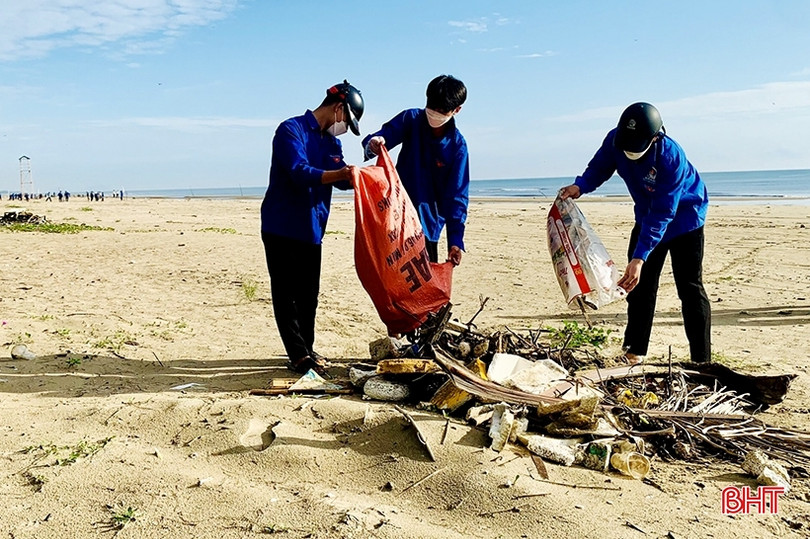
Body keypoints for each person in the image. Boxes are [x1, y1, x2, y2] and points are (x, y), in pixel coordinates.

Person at [560, 102, 711, 363]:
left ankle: (702, 358)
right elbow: (600, 168)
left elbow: (664, 211)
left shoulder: (671, 156)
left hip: (686, 218)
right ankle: (634, 350)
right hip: (646, 214)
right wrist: (580, 186)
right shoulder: (615, 140)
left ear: (655, 137)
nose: (630, 151)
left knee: (689, 287)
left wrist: (640, 257)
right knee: (638, 287)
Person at [260, 80, 364, 375]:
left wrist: (363, 177)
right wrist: (340, 173)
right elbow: (299, 172)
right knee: (286, 294)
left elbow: (341, 177)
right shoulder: (290, 130)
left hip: (312, 229)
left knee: (309, 296)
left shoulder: (332, 142)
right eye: (347, 121)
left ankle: (307, 348)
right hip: (281, 226)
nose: (344, 127)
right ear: (338, 109)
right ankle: (298, 356)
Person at [362, 74, 470, 266]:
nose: (434, 114)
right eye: (431, 107)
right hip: (395, 217)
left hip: (427, 227)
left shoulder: (457, 146)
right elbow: (381, 137)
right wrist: (374, 143)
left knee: (422, 286)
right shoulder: (411, 119)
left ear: (457, 110)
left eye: (442, 110)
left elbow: (457, 196)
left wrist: (455, 241)